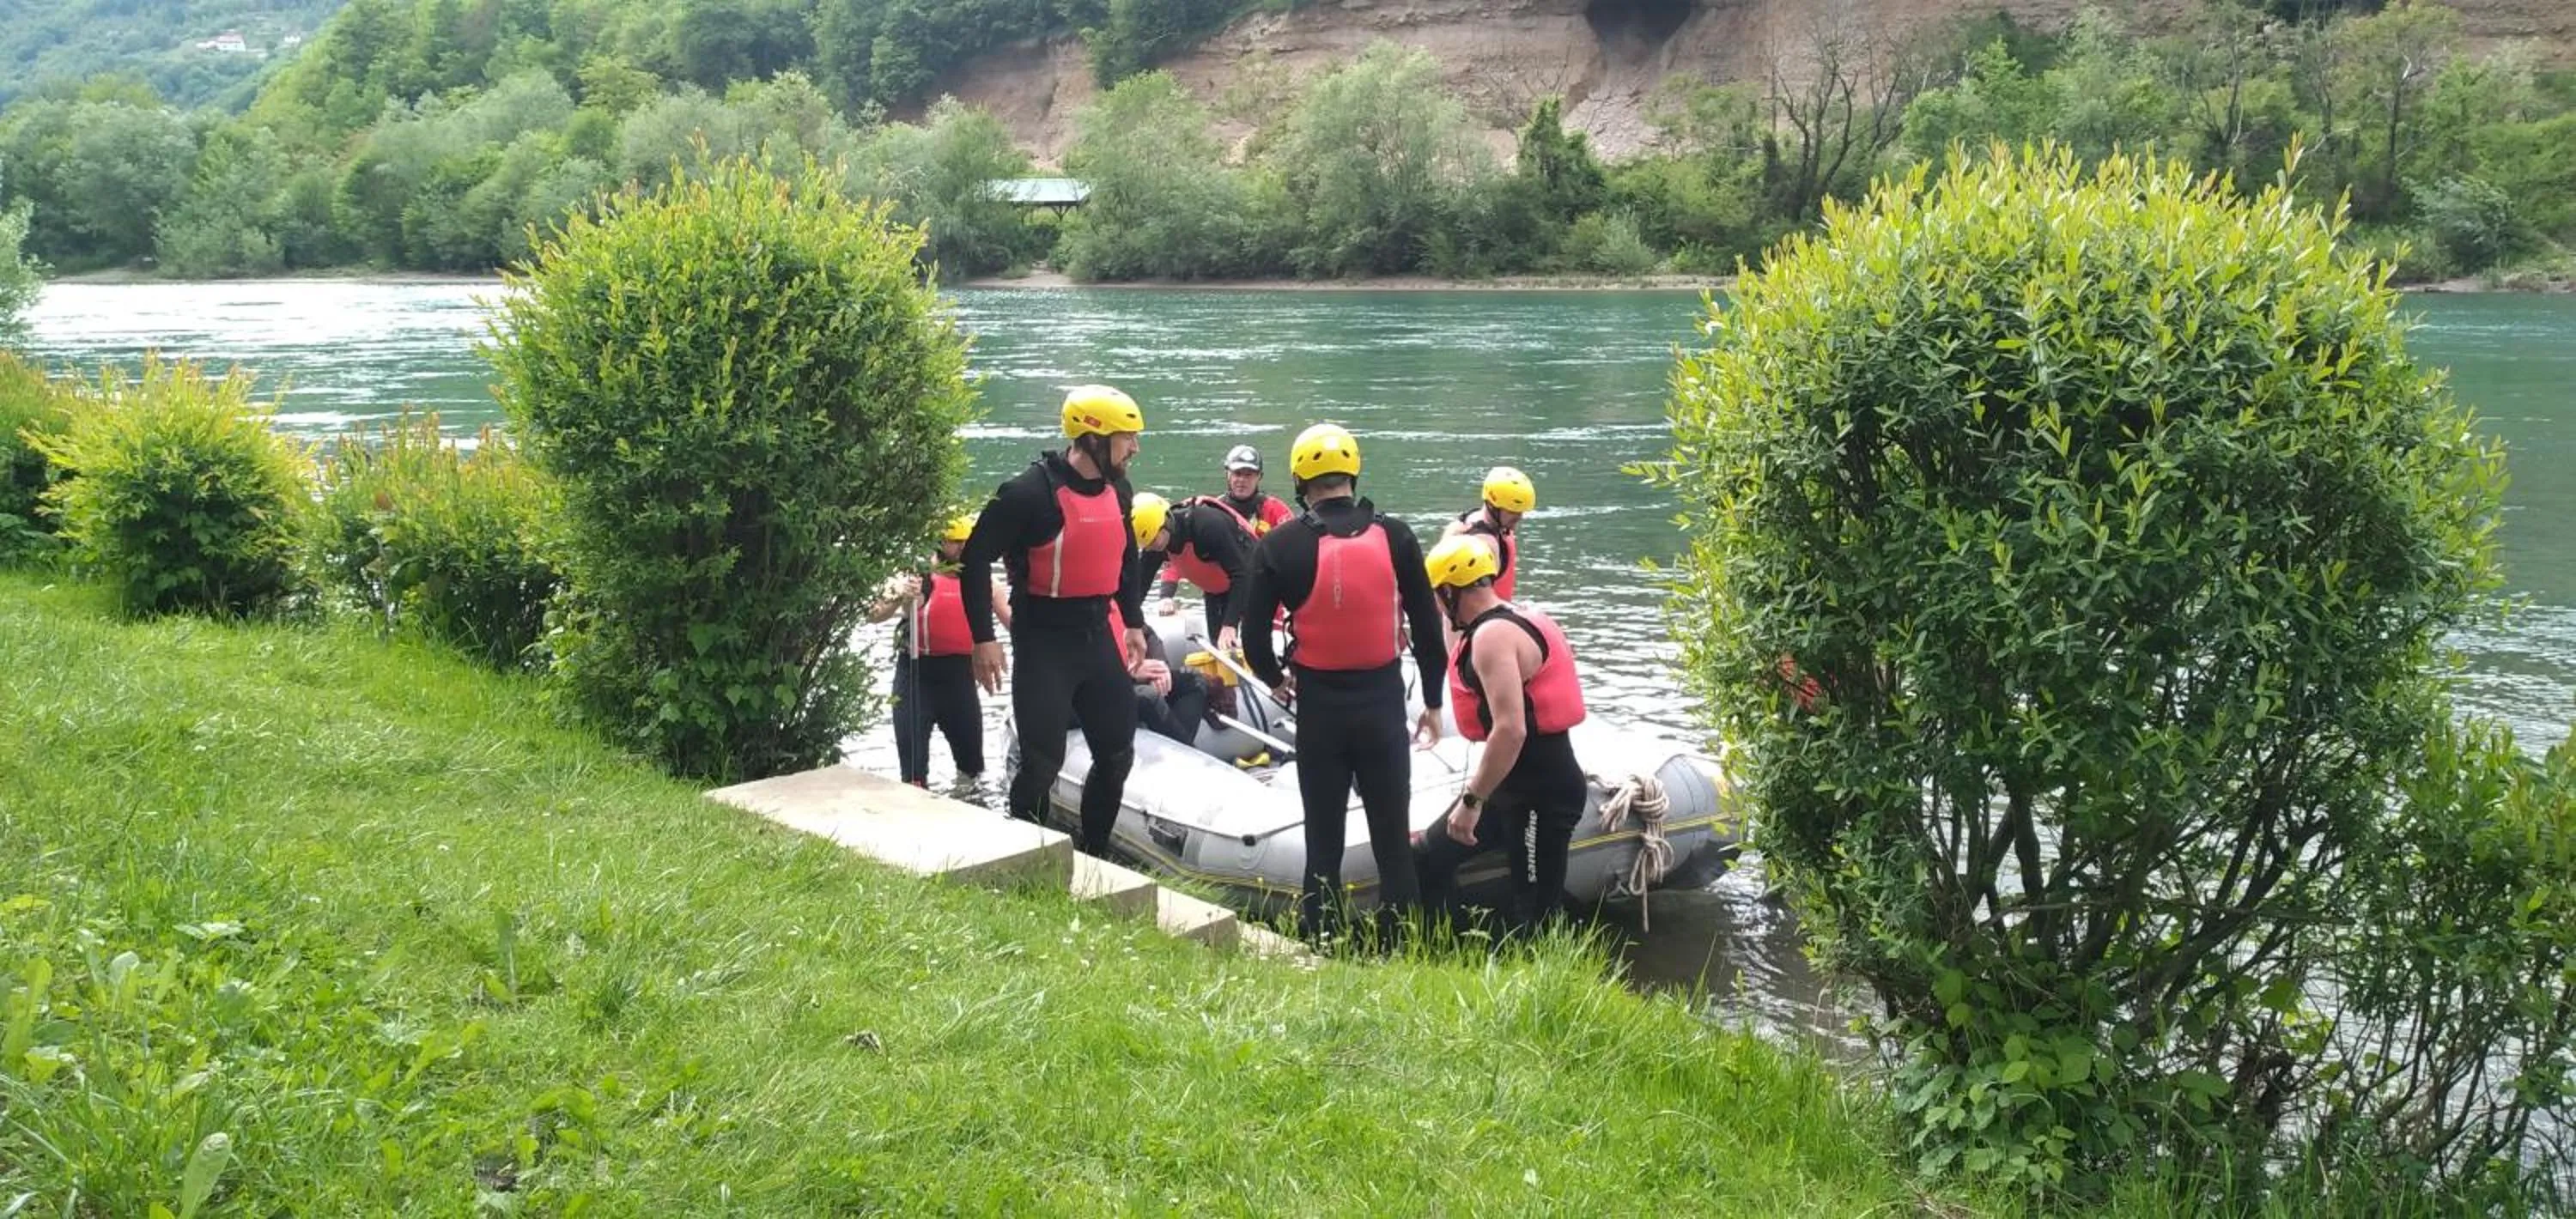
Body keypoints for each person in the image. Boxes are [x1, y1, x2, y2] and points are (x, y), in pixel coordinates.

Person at [1238, 423, 1448, 942]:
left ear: (1299, 480)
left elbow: (1253, 640)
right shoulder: (1396, 536)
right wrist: (1433, 701)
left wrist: (1276, 680)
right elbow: (1428, 630)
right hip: (1382, 706)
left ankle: (1322, 942)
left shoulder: (1281, 544)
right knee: (1392, 841)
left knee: (1324, 840)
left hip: (1320, 711)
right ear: (1352, 473)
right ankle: (1402, 945)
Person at [959, 385, 1149, 857]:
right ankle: (1029, 858)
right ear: (1094, 439)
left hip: (1096, 636)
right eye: (1127, 438)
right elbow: (975, 557)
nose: (1135, 448)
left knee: (1117, 756)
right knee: (1042, 765)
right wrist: (984, 638)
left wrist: (1132, 621)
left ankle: (1094, 855)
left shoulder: (1119, 490)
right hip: (1043, 641)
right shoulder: (1028, 493)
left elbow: (1126, 558)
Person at [1412, 534, 1591, 937]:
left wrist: (1471, 801)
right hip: (1511, 788)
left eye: (1438, 596)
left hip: (1542, 795)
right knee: (1427, 857)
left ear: (1449, 591)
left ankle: (1548, 964)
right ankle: (1450, 948)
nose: (1437, 605)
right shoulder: (1518, 617)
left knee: (1536, 913)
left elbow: (1511, 729)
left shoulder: (1493, 637)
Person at [872, 513, 1011, 786]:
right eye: (955, 542)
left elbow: (1011, 620)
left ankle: (969, 803)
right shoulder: (916, 576)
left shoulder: (985, 582)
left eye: (967, 542)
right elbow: (874, 614)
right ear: (939, 542)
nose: (962, 549)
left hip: (959, 680)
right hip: (916, 678)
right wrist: (899, 595)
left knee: (973, 770)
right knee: (913, 774)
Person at [1133, 491, 1250, 652]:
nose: (1152, 547)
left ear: (1166, 523)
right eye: (1147, 545)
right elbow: (1139, 586)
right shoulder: (1154, 542)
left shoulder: (1207, 526)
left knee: (1248, 643)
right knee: (1218, 646)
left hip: (1250, 581)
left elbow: (1242, 574)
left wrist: (1230, 624)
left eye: (1154, 541)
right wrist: (1129, 623)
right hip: (1215, 588)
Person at [1442, 465, 1535, 602]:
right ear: (1492, 506)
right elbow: (1478, 603)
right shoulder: (1483, 544)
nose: (1519, 517)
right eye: (1512, 511)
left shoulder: (1471, 521)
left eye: (1521, 511)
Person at [1122, 614, 1211, 747]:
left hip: (1132, 677)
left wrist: (1159, 669)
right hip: (1104, 689)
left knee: (1194, 680)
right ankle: (1189, 752)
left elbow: (1148, 634)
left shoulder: (1121, 610)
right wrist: (1129, 672)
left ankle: (1179, 749)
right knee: (1149, 696)